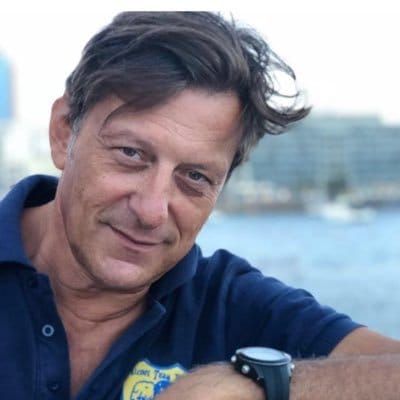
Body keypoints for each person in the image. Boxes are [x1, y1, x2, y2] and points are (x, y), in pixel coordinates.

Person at [0, 11, 399, 400]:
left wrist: (260, 385)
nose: (152, 211)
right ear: (63, 132)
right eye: (130, 153)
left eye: (194, 177)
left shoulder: (230, 304)